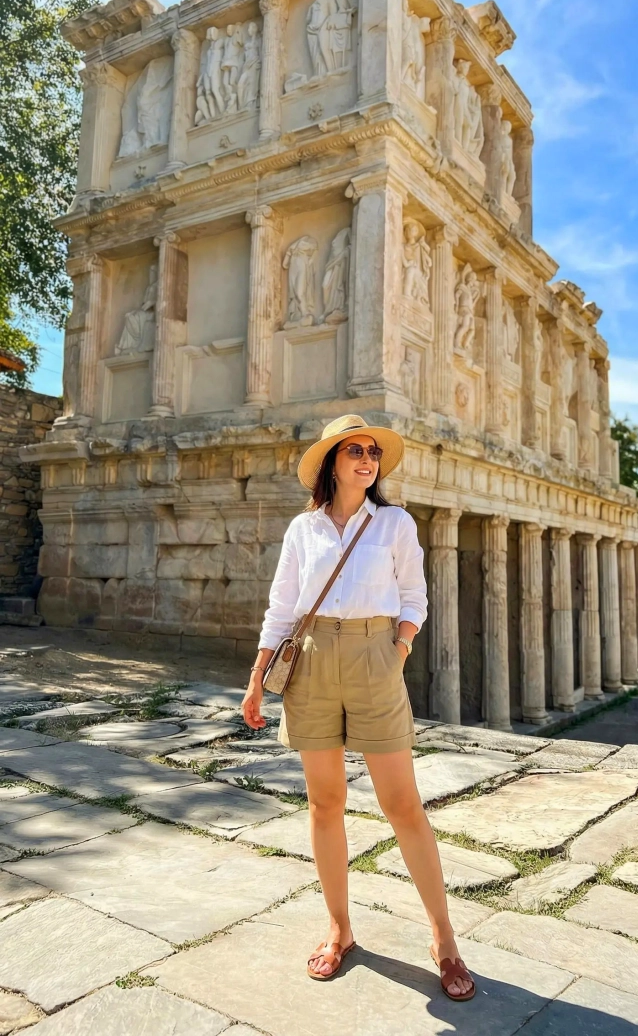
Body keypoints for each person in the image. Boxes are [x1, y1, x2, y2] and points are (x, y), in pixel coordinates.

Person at [241, 414, 475, 1002]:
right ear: (331, 463)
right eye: (355, 451)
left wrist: (395, 651)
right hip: (313, 658)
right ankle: (340, 929)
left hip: (375, 656)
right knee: (325, 803)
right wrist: (255, 680)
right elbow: (282, 606)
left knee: (402, 804)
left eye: (373, 452)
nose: (368, 460)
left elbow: (414, 595)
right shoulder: (304, 529)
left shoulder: (394, 523)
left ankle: (444, 938)